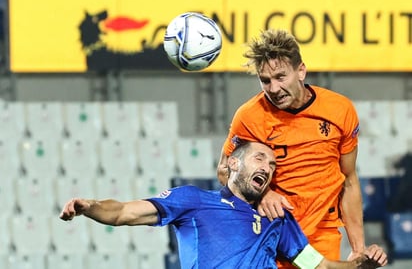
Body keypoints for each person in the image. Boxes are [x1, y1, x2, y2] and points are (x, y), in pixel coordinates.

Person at [60, 141, 387, 268]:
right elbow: (121, 213)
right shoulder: (193, 201)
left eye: (272, 165)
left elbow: (319, 266)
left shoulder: (278, 217)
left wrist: (365, 264)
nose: (267, 168)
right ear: (231, 163)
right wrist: (89, 207)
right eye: (259, 158)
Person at [217, 29, 368, 268]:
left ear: (301, 71)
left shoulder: (340, 110)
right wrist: (263, 194)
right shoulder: (249, 117)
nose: (274, 88)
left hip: (321, 237)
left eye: (280, 77)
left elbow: (349, 179)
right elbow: (225, 171)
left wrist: (359, 249)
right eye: (265, 80)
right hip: (269, 234)